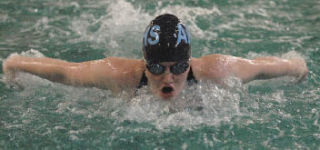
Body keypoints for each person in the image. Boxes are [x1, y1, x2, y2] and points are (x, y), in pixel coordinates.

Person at [2, 14, 308, 100]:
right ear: (143, 63)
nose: (167, 76)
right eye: (156, 67)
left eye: (178, 67)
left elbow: (264, 68)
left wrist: (297, 67)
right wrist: (15, 62)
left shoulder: (216, 70)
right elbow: (67, 72)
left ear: (190, 61)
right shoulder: (119, 74)